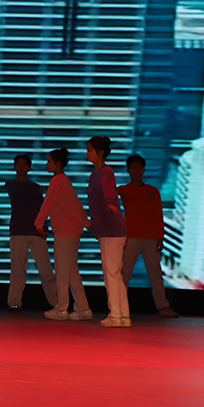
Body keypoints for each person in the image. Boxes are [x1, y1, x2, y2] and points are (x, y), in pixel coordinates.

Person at [119, 154, 178, 319]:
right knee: (125, 273)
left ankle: (163, 307)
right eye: (134, 168)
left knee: (156, 274)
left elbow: (158, 214)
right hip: (131, 236)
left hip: (151, 237)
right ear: (128, 170)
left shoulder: (153, 191)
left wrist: (160, 236)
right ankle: (118, 307)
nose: (137, 171)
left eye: (140, 167)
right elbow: (108, 202)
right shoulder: (123, 190)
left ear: (144, 170)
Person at [35, 148, 91, 321]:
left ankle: (61, 308)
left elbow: (48, 203)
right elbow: (77, 204)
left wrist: (38, 222)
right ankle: (82, 307)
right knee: (72, 271)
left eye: (49, 161)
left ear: (57, 164)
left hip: (65, 232)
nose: (47, 164)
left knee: (62, 270)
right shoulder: (65, 181)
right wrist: (86, 223)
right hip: (73, 231)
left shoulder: (57, 180)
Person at [86, 136, 131, 328]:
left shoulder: (106, 171)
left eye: (90, 150)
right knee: (115, 274)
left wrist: (112, 205)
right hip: (107, 230)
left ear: (100, 152)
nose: (87, 153)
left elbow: (110, 192)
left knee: (111, 274)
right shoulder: (95, 174)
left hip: (112, 230)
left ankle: (115, 315)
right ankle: (123, 315)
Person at [6, 154, 58, 312]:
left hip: (36, 231)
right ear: (14, 167)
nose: (21, 167)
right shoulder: (12, 185)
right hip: (18, 231)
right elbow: (19, 190)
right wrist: (40, 188)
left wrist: (44, 228)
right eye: (19, 164)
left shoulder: (35, 188)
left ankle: (56, 303)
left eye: (24, 164)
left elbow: (42, 208)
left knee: (46, 269)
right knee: (18, 269)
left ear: (29, 168)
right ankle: (14, 302)